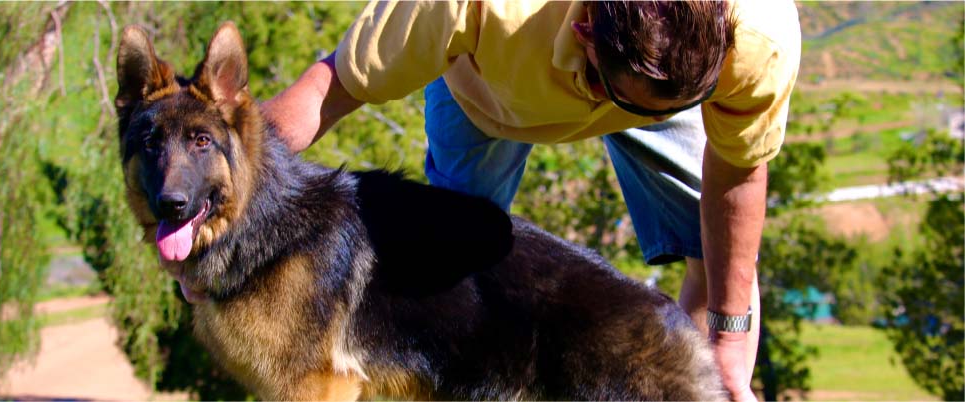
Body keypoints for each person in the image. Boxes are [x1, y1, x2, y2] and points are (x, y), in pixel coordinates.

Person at [262, 1, 801, 400]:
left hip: (660, 85)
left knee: (717, 257)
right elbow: (328, 90)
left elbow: (737, 174)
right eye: (609, 91)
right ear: (585, 27)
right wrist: (229, 209)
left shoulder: (759, 36)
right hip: (489, 91)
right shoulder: (466, 7)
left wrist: (728, 346)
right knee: (448, 279)